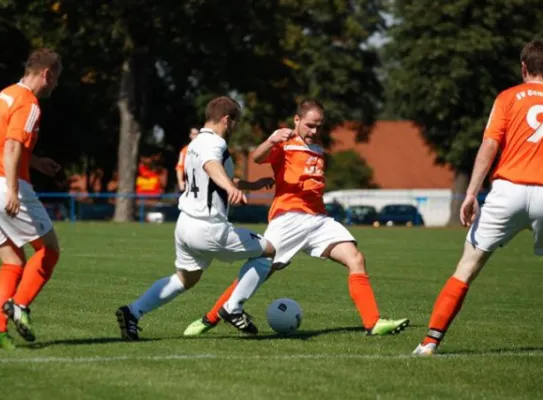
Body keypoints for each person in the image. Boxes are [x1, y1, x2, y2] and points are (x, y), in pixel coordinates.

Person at [184, 100, 409, 337]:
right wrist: (271, 139)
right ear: (297, 120)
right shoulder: (285, 143)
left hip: (319, 220)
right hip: (289, 218)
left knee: (356, 258)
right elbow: (258, 157)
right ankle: (210, 318)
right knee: (261, 270)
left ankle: (373, 323)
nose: (314, 131)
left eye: (319, 127)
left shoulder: (319, 148)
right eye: (310, 125)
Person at [413, 39, 543, 356]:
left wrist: (471, 193)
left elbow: (489, 147)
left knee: (467, 267)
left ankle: (430, 342)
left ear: (524, 68)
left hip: (506, 191)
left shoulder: (508, 98)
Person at [115, 96, 276, 340]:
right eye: (235, 123)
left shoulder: (195, 143)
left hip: (185, 225)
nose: (235, 128)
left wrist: (250, 184)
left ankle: (133, 312)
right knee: (269, 251)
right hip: (208, 227)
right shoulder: (215, 144)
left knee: (184, 279)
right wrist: (232, 190)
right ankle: (233, 307)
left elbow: (217, 176)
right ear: (226, 119)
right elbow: (212, 166)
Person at [0, 48, 63, 349]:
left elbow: (5, 144)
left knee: (12, 263)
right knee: (49, 249)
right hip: (3, 184)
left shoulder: (7, 94)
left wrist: (37, 163)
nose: (56, 86)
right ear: (46, 74)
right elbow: (11, 148)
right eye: (56, 79)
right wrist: (12, 189)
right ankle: (20, 305)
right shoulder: (30, 102)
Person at [176, 127, 200, 191]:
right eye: (194, 134)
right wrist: (180, 181)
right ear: (190, 135)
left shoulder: (204, 149)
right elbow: (180, 167)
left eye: (197, 134)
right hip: (187, 184)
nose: (195, 136)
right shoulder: (184, 151)